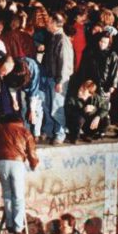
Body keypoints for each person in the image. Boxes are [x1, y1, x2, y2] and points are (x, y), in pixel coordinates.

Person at [0, 113, 39, 234]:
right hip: (17, 164)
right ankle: (18, 227)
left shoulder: (0, 127)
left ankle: (9, 223)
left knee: (7, 195)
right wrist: (33, 164)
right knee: (18, 197)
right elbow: (32, 152)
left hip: (2, 163)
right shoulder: (24, 131)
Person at [42, 12, 74, 144]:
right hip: (51, 78)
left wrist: (60, 81)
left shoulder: (62, 39)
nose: (47, 24)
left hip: (58, 79)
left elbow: (65, 62)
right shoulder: (54, 37)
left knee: (57, 107)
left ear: (55, 24)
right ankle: (50, 131)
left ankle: (59, 134)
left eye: (49, 22)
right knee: (49, 105)